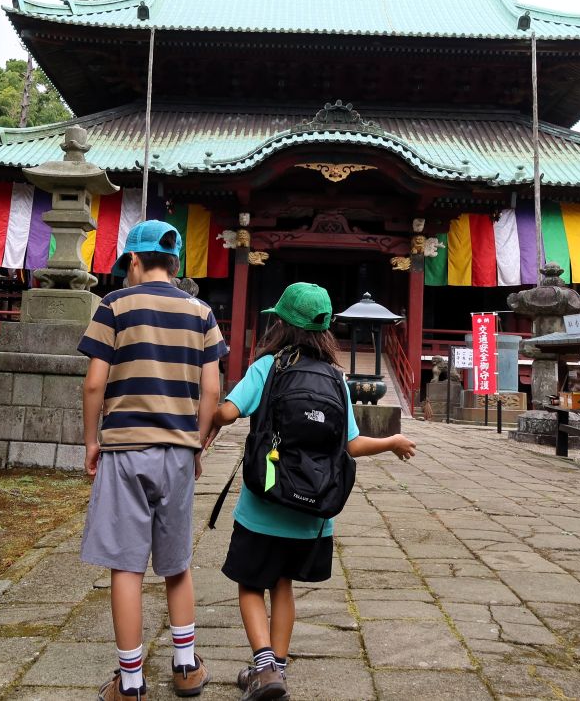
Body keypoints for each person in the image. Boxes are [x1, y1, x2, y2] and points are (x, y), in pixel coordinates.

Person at [212, 283, 416, 701]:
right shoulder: (335, 378)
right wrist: (392, 441)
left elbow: (227, 413)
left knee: (251, 585)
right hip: (313, 511)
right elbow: (353, 446)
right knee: (283, 584)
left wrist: (209, 410)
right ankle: (277, 671)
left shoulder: (268, 366)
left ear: (281, 324)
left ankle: (264, 667)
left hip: (262, 504)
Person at [79, 219, 227, 701]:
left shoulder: (114, 306)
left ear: (136, 262)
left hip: (124, 448)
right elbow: (212, 390)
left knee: (126, 567)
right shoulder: (201, 312)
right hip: (178, 453)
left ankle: (132, 681)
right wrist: (196, 444)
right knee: (177, 562)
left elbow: (94, 383)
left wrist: (90, 441)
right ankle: (185, 667)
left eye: (128, 266)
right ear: (177, 263)